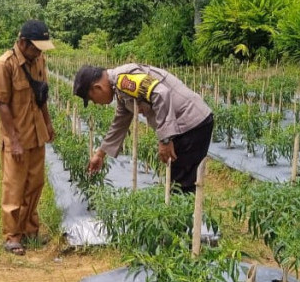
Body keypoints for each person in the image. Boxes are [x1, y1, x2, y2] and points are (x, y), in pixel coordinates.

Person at [73, 63, 214, 194]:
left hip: (191, 123)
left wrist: (165, 139)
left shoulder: (123, 81)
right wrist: (100, 154)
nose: (96, 103)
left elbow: (161, 93)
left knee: (180, 185)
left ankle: (181, 219)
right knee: (178, 184)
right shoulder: (120, 89)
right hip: (187, 125)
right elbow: (120, 122)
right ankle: (183, 217)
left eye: (92, 99)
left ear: (98, 87)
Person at [0, 20, 55, 255]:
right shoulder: (4, 65)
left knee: (35, 183)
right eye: (36, 47)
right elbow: (1, 104)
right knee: (14, 187)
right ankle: (12, 236)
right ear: (22, 43)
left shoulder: (39, 60)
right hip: (16, 137)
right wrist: (14, 141)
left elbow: (42, 95)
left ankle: (30, 230)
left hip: (36, 133)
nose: (39, 52)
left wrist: (48, 124)